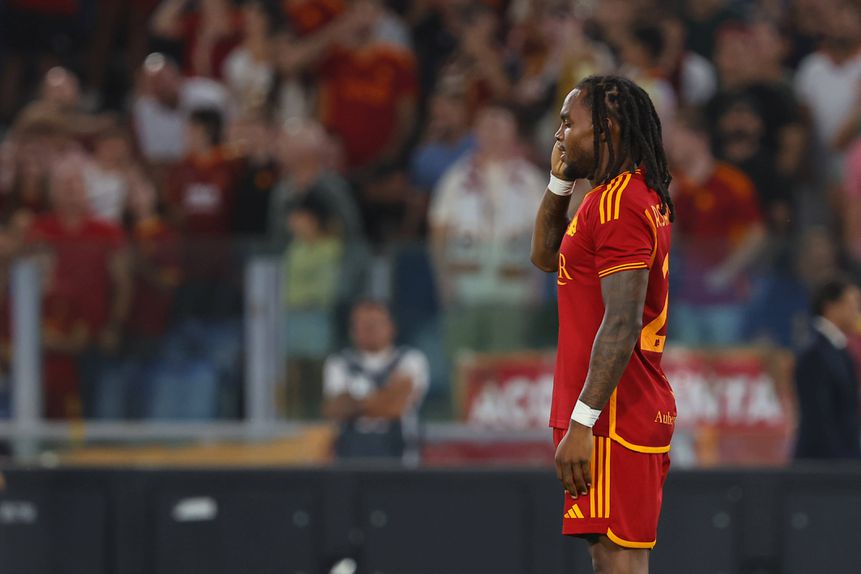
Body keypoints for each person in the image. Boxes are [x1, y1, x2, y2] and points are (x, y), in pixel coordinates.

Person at [530, 75, 676, 570]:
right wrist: (560, 182)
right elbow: (544, 256)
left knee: (619, 563)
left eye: (568, 123)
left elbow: (622, 322)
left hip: (613, 413)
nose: (559, 135)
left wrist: (583, 422)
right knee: (613, 561)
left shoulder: (619, 204)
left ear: (607, 127)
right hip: (607, 410)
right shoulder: (611, 198)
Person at [322, 300, 429, 463]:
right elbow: (336, 410)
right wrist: (386, 397)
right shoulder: (338, 363)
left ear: (392, 327)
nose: (370, 329)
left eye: (376, 323)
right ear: (352, 330)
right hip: (350, 463)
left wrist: (355, 404)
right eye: (363, 324)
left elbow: (397, 407)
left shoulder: (411, 360)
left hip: (400, 461)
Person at [793, 276, 861, 461]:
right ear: (831, 307)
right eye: (852, 304)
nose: (856, 312)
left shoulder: (839, 350)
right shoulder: (814, 353)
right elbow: (819, 419)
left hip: (842, 461)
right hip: (822, 464)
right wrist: (842, 464)